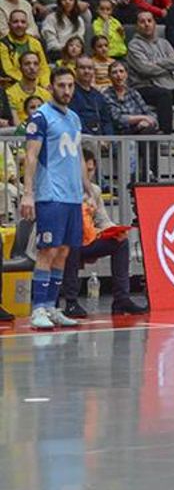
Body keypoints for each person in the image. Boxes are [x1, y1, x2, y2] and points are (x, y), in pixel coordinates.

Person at [21, 67, 84, 329]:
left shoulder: (75, 118)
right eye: (61, 85)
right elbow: (31, 156)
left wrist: (87, 190)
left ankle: (51, 307)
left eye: (70, 85)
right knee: (48, 250)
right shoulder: (41, 117)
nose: (67, 90)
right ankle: (37, 309)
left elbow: (78, 156)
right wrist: (28, 194)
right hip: (50, 194)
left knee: (64, 251)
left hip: (72, 197)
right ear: (50, 87)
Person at [59, 150, 146, 317]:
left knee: (120, 242)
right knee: (72, 243)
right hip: (65, 242)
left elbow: (103, 220)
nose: (88, 175)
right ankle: (71, 301)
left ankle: (121, 299)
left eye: (91, 170)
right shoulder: (61, 190)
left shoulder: (95, 191)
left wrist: (114, 231)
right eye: (85, 170)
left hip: (88, 239)